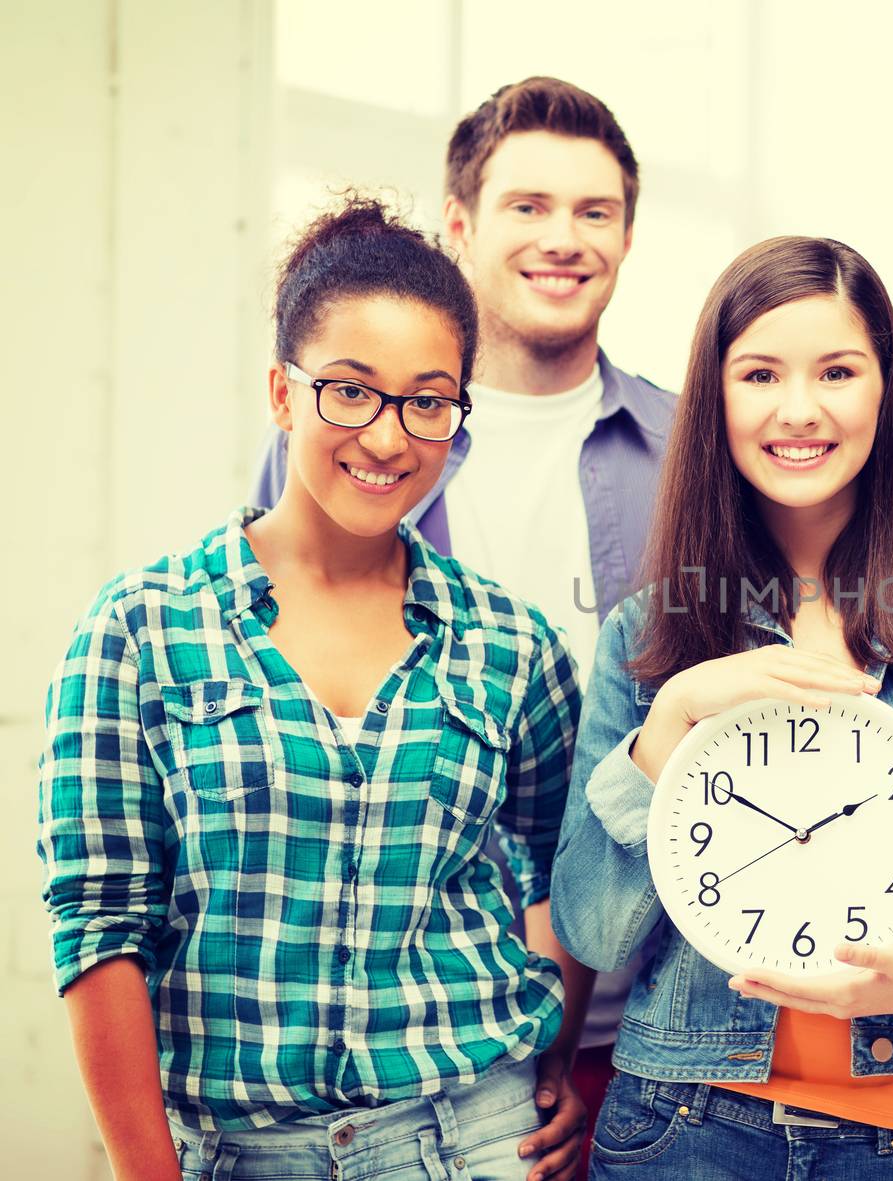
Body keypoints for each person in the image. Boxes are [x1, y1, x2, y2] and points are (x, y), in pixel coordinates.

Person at [40, 196, 584, 1181]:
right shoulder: (139, 628)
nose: (387, 437)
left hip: (473, 1137)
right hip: (233, 1151)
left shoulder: (510, 642)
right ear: (282, 394)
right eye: (349, 390)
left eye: (429, 399)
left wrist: (555, 1057)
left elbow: (565, 868)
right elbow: (98, 927)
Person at [549, 235, 893, 1180]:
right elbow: (593, 930)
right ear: (715, 395)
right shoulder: (651, 630)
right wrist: (672, 716)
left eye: (837, 371)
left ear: (884, 389)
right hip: (684, 1126)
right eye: (760, 373)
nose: (799, 410)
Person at [253, 76, 677, 1157]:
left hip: (661, 1022)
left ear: (627, 235)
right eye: (527, 205)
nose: (563, 239)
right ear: (459, 225)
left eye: (595, 211)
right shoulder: (350, 443)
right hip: (418, 1039)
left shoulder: (690, 451)